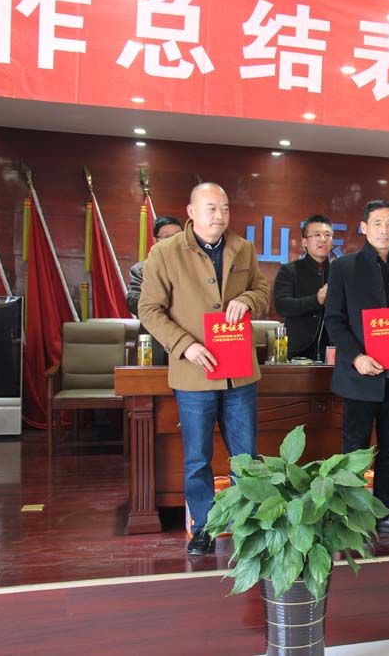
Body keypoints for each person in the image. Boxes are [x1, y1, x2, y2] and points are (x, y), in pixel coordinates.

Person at [139, 183, 269, 555]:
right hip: (194, 371)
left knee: (246, 456)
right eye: (211, 208)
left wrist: (247, 300)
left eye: (225, 208)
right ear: (191, 211)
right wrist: (184, 345)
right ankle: (204, 527)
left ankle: (249, 528)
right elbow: (149, 309)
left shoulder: (243, 248)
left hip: (239, 373)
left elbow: (263, 291)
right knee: (197, 457)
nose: (220, 215)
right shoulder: (165, 253)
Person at [324, 200, 389, 537]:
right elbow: (334, 320)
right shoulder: (344, 268)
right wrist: (356, 356)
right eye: (377, 223)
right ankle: (351, 519)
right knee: (354, 452)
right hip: (360, 377)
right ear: (363, 227)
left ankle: (384, 515)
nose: (384, 230)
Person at [273, 215, 334, 360]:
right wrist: (316, 300)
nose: (323, 239)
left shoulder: (339, 272)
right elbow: (282, 306)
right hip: (298, 350)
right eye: (317, 235)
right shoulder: (290, 270)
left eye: (327, 235)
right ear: (305, 242)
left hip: (333, 349)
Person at [127, 215, 183, 365]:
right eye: (167, 237)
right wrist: (160, 303)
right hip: (154, 341)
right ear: (155, 240)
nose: (173, 241)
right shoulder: (141, 269)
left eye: (178, 236)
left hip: (188, 341)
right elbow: (132, 301)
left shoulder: (195, 268)